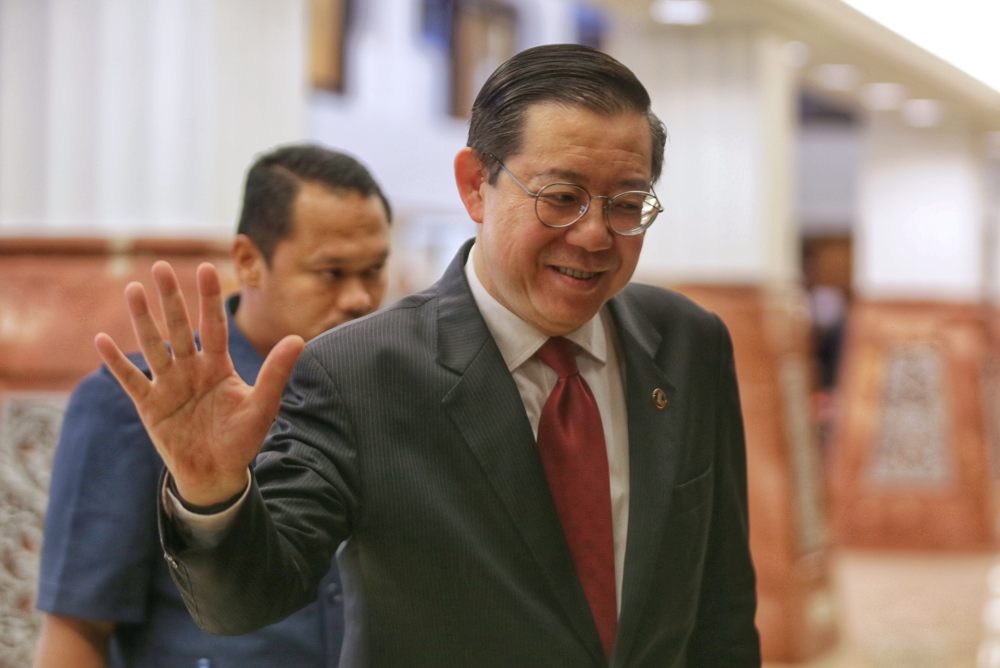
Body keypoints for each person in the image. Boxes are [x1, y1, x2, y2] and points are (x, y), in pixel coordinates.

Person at [96, 44, 761, 666]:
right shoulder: (359, 373)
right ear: (475, 184)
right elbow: (249, 599)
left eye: (626, 204)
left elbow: (722, 603)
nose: (594, 234)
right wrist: (211, 492)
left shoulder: (687, 343)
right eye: (561, 198)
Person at [34, 144, 393, 667]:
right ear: (249, 262)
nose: (360, 298)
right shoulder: (138, 403)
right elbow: (77, 628)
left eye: (375, 269)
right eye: (332, 273)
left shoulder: (388, 389)